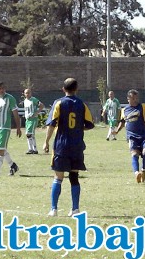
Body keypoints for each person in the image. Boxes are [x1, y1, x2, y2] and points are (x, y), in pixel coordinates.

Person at [43, 78, 94, 217]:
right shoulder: (82, 104)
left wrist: (46, 141)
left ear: (63, 89)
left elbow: (52, 123)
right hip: (76, 145)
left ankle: (54, 209)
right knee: (74, 177)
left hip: (61, 145)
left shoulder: (59, 103)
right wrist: (78, 129)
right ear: (76, 89)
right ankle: (75, 209)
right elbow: (90, 124)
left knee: (58, 177)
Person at [112, 89, 145, 183]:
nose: (135, 100)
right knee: (134, 154)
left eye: (136, 98)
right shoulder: (124, 110)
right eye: (133, 98)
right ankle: (137, 173)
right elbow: (122, 122)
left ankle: (143, 170)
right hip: (132, 137)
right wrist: (117, 131)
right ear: (128, 99)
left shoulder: (143, 107)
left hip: (144, 136)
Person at [23, 88, 45, 154]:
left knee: (28, 134)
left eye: (28, 93)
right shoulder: (25, 101)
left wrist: (37, 112)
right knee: (31, 135)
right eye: (26, 93)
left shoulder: (34, 99)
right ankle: (34, 149)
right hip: (27, 119)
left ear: (31, 93)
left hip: (33, 119)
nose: (27, 94)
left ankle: (31, 149)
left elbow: (41, 105)